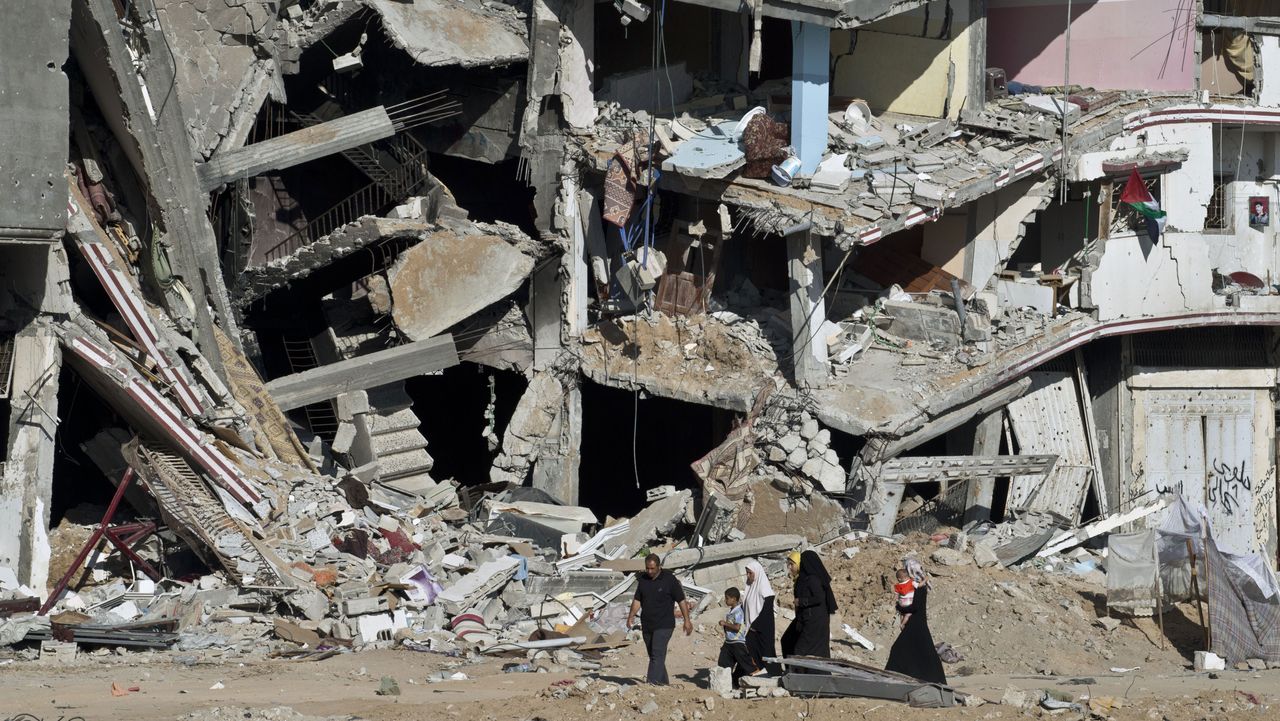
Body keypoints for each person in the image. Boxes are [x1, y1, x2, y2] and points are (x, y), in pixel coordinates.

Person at [627, 553, 693, 685]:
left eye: (652, 568)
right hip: (647, 624)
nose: (649, 571)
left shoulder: (670, 580)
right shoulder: (643, 580)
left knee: (657, 654)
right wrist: (631, 616)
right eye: (647, 568)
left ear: (659, 567)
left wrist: (687, 620)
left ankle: (651, 684)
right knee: (654, 656)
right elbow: (637, 600)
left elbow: (681, 600)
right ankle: (663, 684)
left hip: (664, 624)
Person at [885, 562, 947, 684]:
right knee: (920, 651)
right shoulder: (914, 587)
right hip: (916, 624)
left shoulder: (919, 588)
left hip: (916, 624)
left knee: (901, 649)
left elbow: (915, 607)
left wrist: (900, 607)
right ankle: (926, 678)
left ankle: (896, 678)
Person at [779, 550, 837, 658]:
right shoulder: (802, 579)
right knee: (791, 643)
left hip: (814, 621)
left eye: (792, 564)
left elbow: (819, 598)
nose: (790, 568)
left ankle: (796, 674)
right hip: (808, 619)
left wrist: (800, 601)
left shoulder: (812, 580)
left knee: (801, 651)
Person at [741, 559, 777, 674]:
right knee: (749, 648)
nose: (748, 575)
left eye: (750, 573)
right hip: (751, 627)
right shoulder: (750, 587)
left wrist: (755, 625)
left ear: (757, 572)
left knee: (765, 651)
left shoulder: (765, 589)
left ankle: (772, 673)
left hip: (762, 628)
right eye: (747, 573)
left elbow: (766, 611)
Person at [716, 587, 760, 677]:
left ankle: (756, 673)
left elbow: (737, 627)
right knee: (724, 662)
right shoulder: (732, 611)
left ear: (734, 599)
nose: (725, 600)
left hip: (737, 642)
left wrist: (725, 623)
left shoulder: (738, 612)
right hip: (729, 642)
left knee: (745, 662)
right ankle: (726, 680)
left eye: (727, 598)